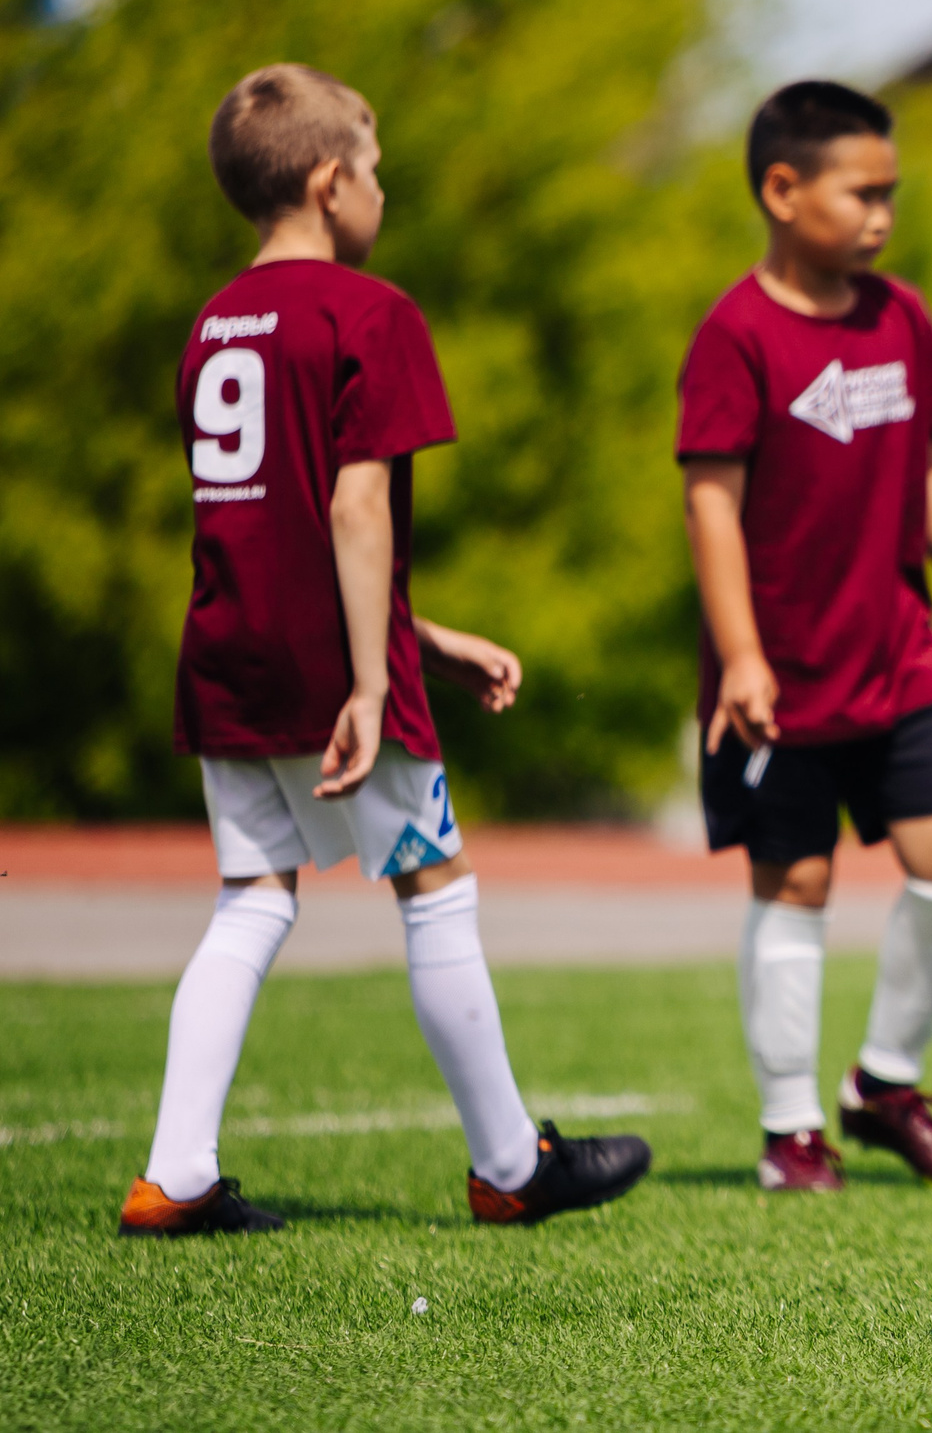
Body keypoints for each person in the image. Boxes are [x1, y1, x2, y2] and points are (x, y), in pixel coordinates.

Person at [124, 63, 652, 1237]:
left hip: (229, 656)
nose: (381, 189)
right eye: (374, 169)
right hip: (336, 674)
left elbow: (275, 529)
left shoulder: (213, 322)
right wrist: (374, 676)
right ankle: (512, 1164)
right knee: (435, 890)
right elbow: (354, 510)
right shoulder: (371, 313)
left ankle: (175, 1173)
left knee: (251, 899)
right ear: (328, 179)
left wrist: (428, 633)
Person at [677, 81, 932, 1193]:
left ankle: (882, 1082)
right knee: (797, 882)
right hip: (778, 675)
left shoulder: (899, 316)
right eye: (860, 191)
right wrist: (739, 653)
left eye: (891, 192)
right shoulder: (736, 332)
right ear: (781, 190)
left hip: (898, 654)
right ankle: (790, 1132)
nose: (881, 213)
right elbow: (710, 502)